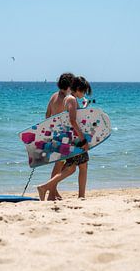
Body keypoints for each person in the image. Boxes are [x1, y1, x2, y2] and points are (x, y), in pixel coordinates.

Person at [37, 76, 92, 201]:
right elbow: (72, 120)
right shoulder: (72, 99)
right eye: (83, 91)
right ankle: (46, 187)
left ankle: (53, 192)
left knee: (76, 166)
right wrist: (83, 139)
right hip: (74, 139)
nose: (84, 94)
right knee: (72, 168)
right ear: (77, 88)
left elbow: (51, 116)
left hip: (64, 137)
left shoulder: (65, 98)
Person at [45, 72, 75, 200]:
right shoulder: (68, 98)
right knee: (60, 165)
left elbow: (47, 115)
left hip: (54, 134)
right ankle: (51, 193)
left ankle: (54, 191)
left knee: (59, 164)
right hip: (65, 135)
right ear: (70, 85)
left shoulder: (53, 97)